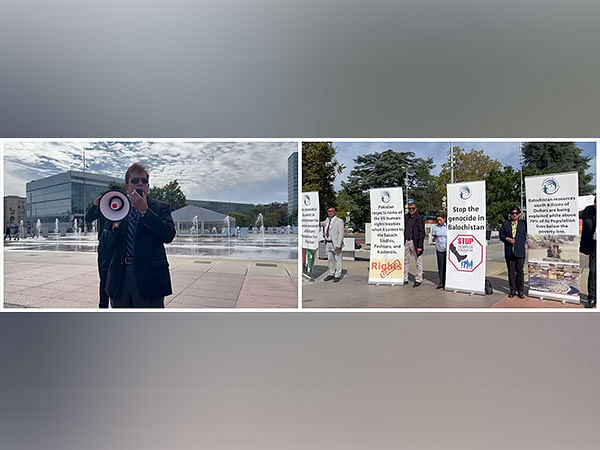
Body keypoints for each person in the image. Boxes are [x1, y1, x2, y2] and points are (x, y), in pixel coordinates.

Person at [104, 163, 176, 308]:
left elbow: (169, 235)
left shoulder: (161, 207)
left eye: (143, 181)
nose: (140, 184)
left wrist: (145, 212)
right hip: (120, 277)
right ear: (127, 187)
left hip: (149, 278)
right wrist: (114, 227)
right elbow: (106, 244)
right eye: (135, 181)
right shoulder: (117, 208)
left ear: (148, 186)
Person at [85, 188, 124, 308]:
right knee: (104, 279)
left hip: (120, 246)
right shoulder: (103, 208)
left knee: (120, 279)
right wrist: (94, 205)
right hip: (104, 247)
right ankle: (103, 307)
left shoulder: (125, 208)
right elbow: (88, 218)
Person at [499, 206, 527, 298]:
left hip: (520, 251)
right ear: (510, 214)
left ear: (519, 214)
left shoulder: (524, 224)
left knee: (520, 272)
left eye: (516, 213)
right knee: (511, 272)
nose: (514, 215)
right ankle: (512, 290)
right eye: (512, 213)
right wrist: (507, 238)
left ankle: (520, 291)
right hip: (509, 252)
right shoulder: (506, 224)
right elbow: (501, 235)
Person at [580, 194, 596, 308]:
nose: (596, 204)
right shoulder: (588, 210)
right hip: (594, 246)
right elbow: (575, 214)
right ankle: (592, 297)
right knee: (593, 271)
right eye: (595, 201)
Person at [404, 201, 425, 287]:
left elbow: (422, 233)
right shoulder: (406, 217)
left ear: (416, 209)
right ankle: (405, 278)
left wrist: (420, 246)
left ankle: (418, 279)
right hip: (406, 241)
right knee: (405, 260)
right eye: (409, 209)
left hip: (415, 242)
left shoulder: (419, 218)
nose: (411, 210)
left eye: (413, 208)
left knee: (418, 261)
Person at [323, 206, 344, 282]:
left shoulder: (339, 221)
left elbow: (341, 233)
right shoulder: (327, 220)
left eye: (332, 211)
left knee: (338, 260)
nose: (330, 212)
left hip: (335, 243)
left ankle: (337, 274)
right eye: (329, 211)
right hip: (328, 243)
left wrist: (338, 244)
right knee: (330, 259)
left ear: (335, 212)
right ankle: (331, 273)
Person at [431, 212, 447, 289]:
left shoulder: (448, 227)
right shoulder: (435, 227)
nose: (439, 222)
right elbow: (432, 239)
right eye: (438, 220)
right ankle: (441, 282)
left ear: (444, 219)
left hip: (447, 248)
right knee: (440, 266)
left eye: (440, 220)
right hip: (439, 248)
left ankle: (447, 282)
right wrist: (435, 238)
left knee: (446, 266)